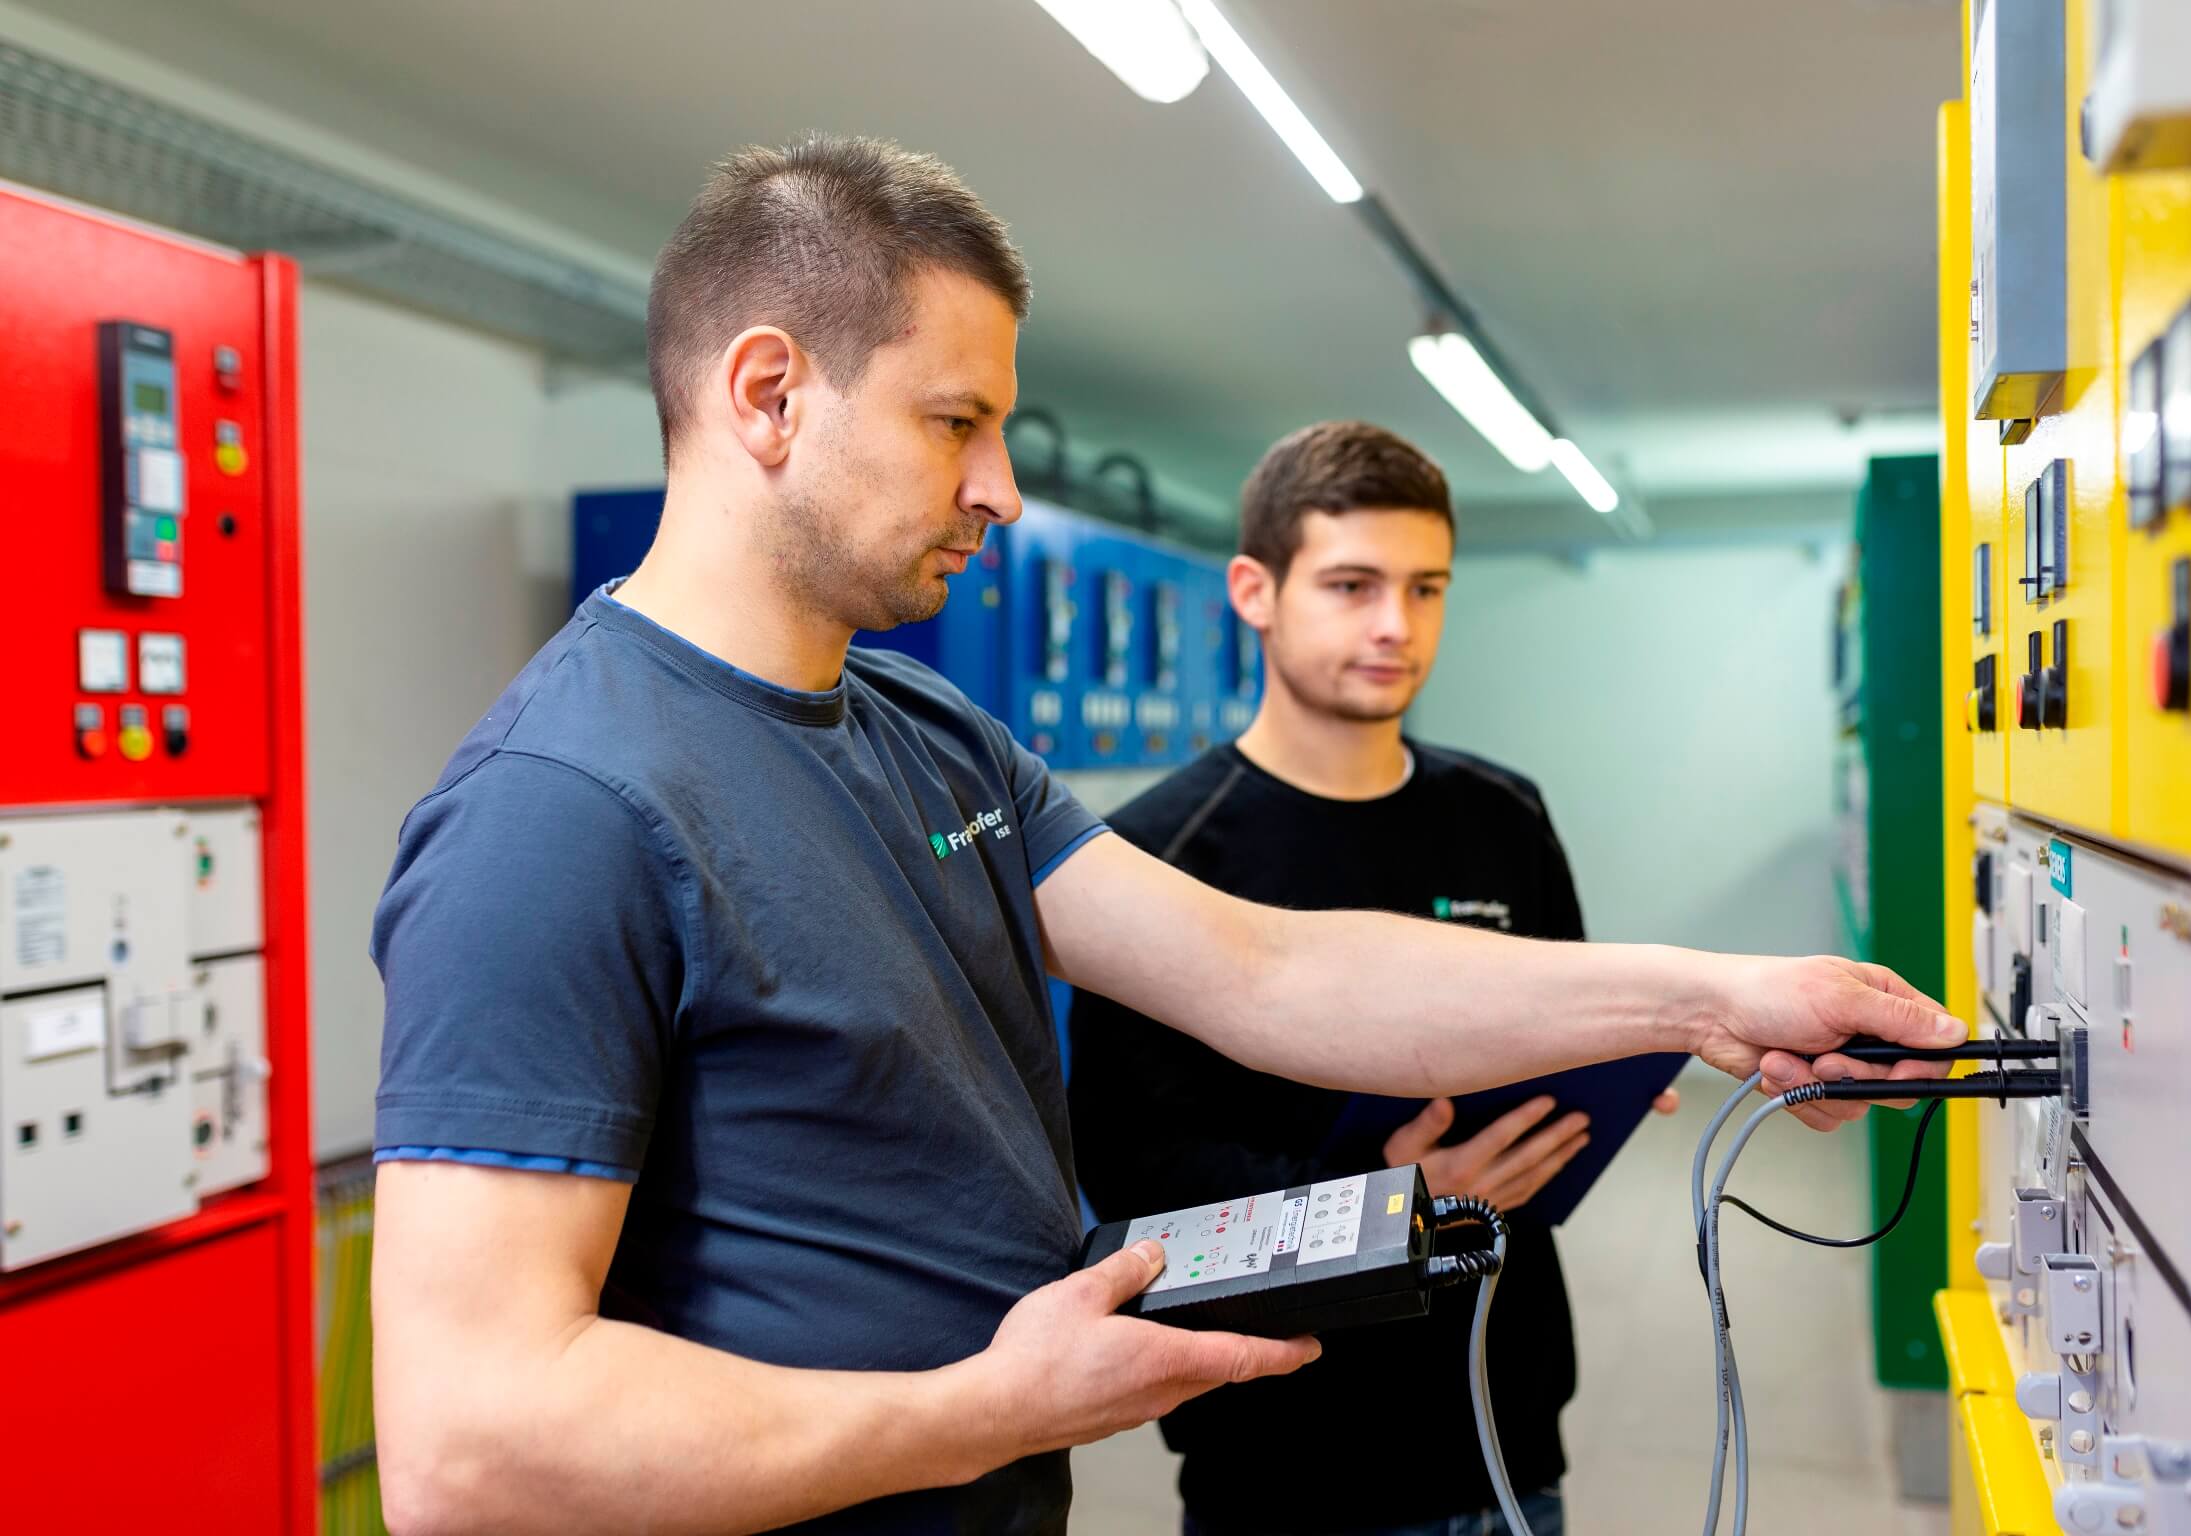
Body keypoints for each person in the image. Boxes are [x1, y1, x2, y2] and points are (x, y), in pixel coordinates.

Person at [367, 136, 1960, 1536]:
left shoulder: (926, 734)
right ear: (770, 394)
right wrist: (989, 1407)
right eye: (956, 422)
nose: (996, 488)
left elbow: (1266, 971)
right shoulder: (564, 809)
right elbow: (471, 1445)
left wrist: (1717, 1000)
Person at [1071, 421, 1673, 1536]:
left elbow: (1559, 1030)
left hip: (1502, 1427)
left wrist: (1607, 1076)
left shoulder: (1505, 815)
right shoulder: (1157, 857)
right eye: (1352, 585)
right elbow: (1137, 1179)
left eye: (1426, 587)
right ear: (1256, 590)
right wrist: (1391, 1196)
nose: (1396, 626)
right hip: (1291, 1453)